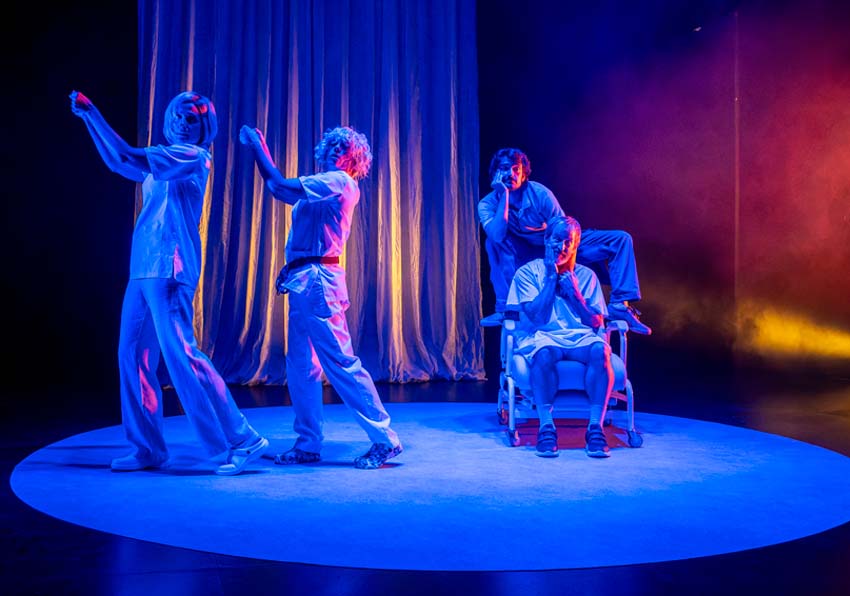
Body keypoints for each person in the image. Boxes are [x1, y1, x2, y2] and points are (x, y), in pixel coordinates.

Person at [69, 90, 268, 475]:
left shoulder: (193, 156)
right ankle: (147, 448)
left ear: (203, 127)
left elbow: (126, 153)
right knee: (133, 356)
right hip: (144, 265)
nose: (182, 122)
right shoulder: (165, 157)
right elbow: (118, 163)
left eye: (192, 118)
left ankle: (241, 439)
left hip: (170, 265)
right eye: (178, 114)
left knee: (182, 355)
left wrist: (94, 110)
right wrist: (87, 121)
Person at [239, 123, 403, 470]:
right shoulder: (322, 185)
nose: (335, 151)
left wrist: (258, 146)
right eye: (332, 145)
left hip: (318, 282)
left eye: (344, 149)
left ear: (354, 161)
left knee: (339, 362)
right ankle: (308, 444)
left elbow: (279, 187)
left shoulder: (340, 182)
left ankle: (385, 439)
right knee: (301, 367)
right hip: (304, 279)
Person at [478, 147, 651, 335]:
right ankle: (505, 310)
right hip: (525, 251)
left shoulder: (540, 194)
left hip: (556, 243)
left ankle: (619, 304)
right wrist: (504, 196)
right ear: (495, 172)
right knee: (493, 243)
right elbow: (497, 235)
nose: (510, 173)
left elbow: (561, 230)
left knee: (620, 240)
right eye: (504, 168)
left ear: (523, 174)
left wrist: (564, 256)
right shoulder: (487, 204)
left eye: (515, 169)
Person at [507, 215, 613, 458]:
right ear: (547, 239)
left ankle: (595, 427)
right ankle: (546, 427)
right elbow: (537, 318)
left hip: (579, 336)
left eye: (569, 242)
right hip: (541, 335)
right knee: (544, 354)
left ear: (575, 245)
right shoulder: (527, 273)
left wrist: (574, 292)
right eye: (557, 240)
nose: (562, 247)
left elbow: (596, 322)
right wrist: (551, 279)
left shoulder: (586, 276)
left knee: (601, 350)